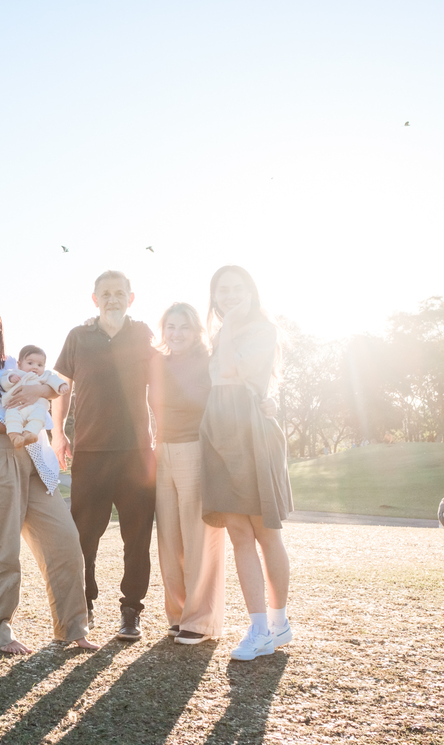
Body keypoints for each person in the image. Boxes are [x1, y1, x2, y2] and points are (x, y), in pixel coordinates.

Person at [0, 298, 97, 654]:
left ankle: (72, 628)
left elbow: (53, 386)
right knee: (2, 548)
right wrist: (13, 425)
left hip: (34, 454)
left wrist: (38, 394)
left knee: (64, 540)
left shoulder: (14, 363)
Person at [52, 270, 157, 641]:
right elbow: (61, 388)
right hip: (91, 452)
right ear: (95, 299)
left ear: (131, 298)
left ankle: (131, 610)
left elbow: (162, 386)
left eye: (119, 293)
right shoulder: (78, 336)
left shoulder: (143, 335)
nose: (113, 299)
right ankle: (85, 605)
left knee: (137, 537)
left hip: (136, 453)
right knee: (83, 537)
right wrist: (58, 432)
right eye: (106, 293)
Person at [196, 266, 293, 661]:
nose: (230, 295)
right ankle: (258, 628)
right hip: (219, 429)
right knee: (238, 532)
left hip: (250, 429)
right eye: (223, 290)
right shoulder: (218, 334)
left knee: (265, 531)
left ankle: (279, 623)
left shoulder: (261, 330)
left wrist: (231, 325)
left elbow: (233, 372)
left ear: (251, 293)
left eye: (238, 289)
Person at [147, 302, 225, 645]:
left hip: (196, 448)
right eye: (171, 327)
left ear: (196, 332)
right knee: (169, 538)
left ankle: (201, 621)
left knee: (199, 537)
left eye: (184, 327)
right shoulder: (157, 363)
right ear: (163, 331)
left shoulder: (208, 360)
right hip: (162, 451)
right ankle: (179, 615)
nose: (177, 334)